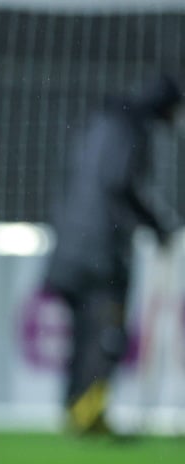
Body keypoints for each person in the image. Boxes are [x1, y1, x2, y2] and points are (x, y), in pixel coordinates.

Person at [45, 74, 182, 437]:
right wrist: (157, 224)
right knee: (106, 332)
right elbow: (120, 183)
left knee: (81, 331)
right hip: (101, 250)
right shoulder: (131, 130)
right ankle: (89, 411)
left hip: (68, 244)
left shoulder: (98, 122)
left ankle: (75, 408)